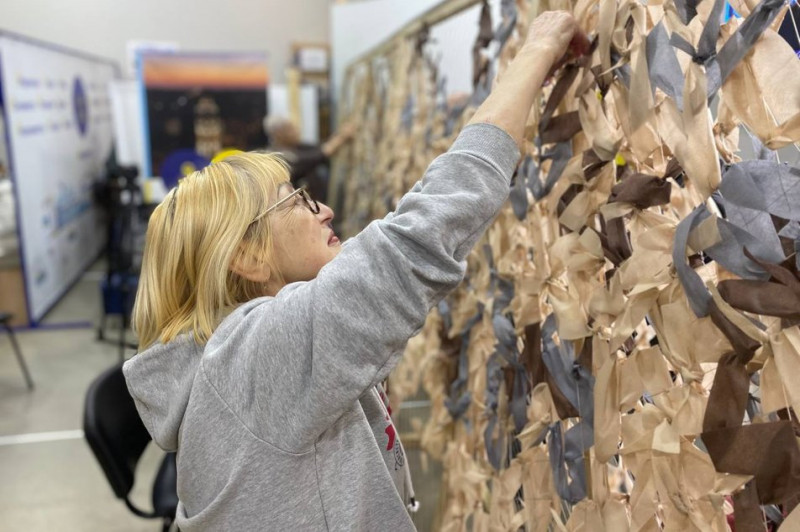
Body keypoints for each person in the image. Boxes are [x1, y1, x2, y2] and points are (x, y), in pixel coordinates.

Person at [123, 12, 589, 531]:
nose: (324, 210)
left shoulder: (225, 360)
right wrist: (538, 50)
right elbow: (421, 236)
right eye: (297, 201)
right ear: (249, 257)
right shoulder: (258, 359)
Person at [264, 115, 356, 203]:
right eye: (291, 129)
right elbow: (322, 153)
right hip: (299, 206)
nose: (297, 131)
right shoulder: (277, 156)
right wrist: (343, 136)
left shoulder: (296, 146)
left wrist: (339, 135)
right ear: (279, 134)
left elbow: (322, 148)